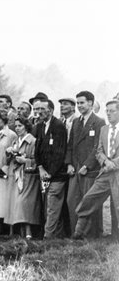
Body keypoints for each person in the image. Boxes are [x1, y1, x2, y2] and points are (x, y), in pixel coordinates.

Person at [73, 100, 119, 239]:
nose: (109, 114)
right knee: (89, 198)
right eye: (107, 111)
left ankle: (116, 238)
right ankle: (78, 232)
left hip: (117, 172)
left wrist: (114, 163)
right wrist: (105, 161)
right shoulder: (104, 129)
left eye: (112, 111)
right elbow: (98, 150)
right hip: (105, 172)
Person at [65, 91, 106, 237]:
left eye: (82, 102)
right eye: (77, 103)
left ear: (90, 103)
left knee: (89, 202)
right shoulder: (76, 122)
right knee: (72, 200)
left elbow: (98, 147)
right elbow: (70, 145)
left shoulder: (99, 122)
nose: (79, 106)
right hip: (76, 169)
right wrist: (69, 164)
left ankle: (92, 235)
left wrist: (87, 165)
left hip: (90, 170)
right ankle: (76, 234)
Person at [34, 99, 68, 239]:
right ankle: (56, 236)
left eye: (42, 109)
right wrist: (41, 168)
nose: (39, 112)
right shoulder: (41, 126)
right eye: (38, 109)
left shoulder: (58, 126)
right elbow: (37, 150)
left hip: (57, 175)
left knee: (52, 207)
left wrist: (50, 173)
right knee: (48, 205)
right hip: (45, 174)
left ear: (51, 110)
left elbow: (60, 153)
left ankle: (48, 238)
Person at [5, 117, 41, 239]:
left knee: (24, 203)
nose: (17, 128)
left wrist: (26, 160)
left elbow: (38, 160)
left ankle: (29, 231)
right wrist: (9, 153)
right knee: (16, 203)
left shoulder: (33, 141)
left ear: (26, 127)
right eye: (16, 126)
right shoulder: (15, 141)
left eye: (20, 126)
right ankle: (19, 231)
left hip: (28, 176)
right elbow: (8, 160)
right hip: (15, 176)